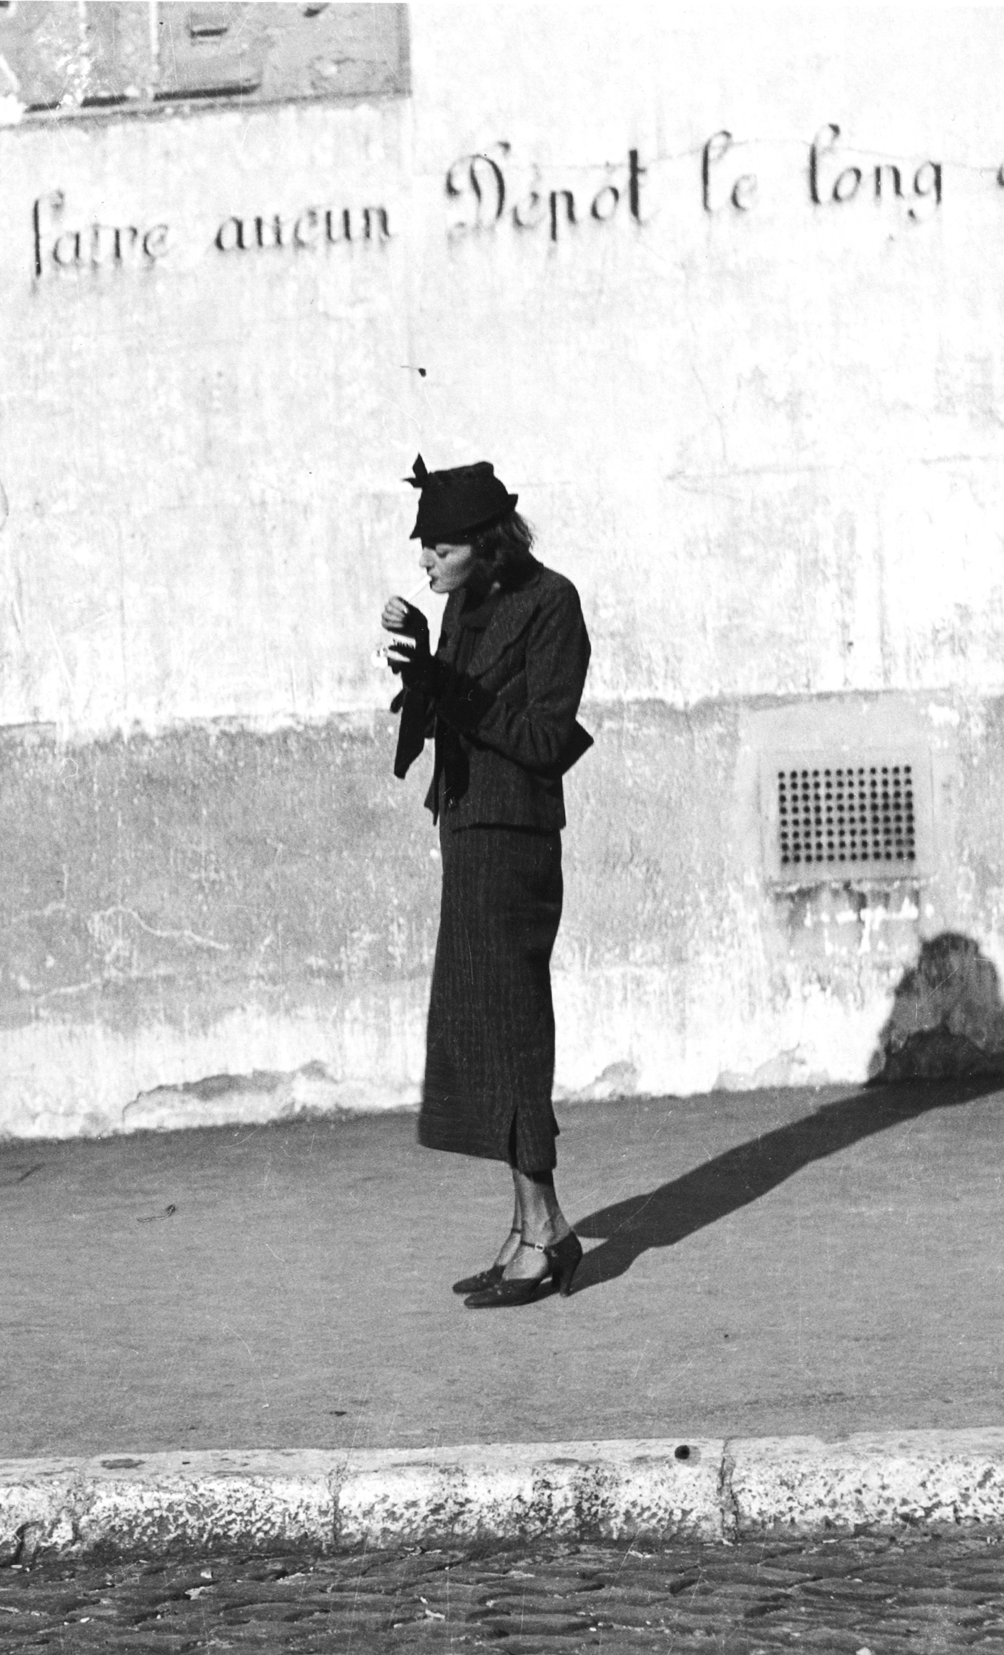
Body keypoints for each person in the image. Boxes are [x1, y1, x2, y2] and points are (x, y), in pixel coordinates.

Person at [383, 455, 594, 1310]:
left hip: (515, 836)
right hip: (469, 831)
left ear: (483, 542)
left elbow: (544, 738)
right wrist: (422, 663)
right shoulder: (467, 605)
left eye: (438, 546)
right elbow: (450, 714)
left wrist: (452, 685)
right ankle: (527, 1227)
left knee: (512, 1025)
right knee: (483, 1024)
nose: (426, 561)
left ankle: (546, 1231)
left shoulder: (552, 604)